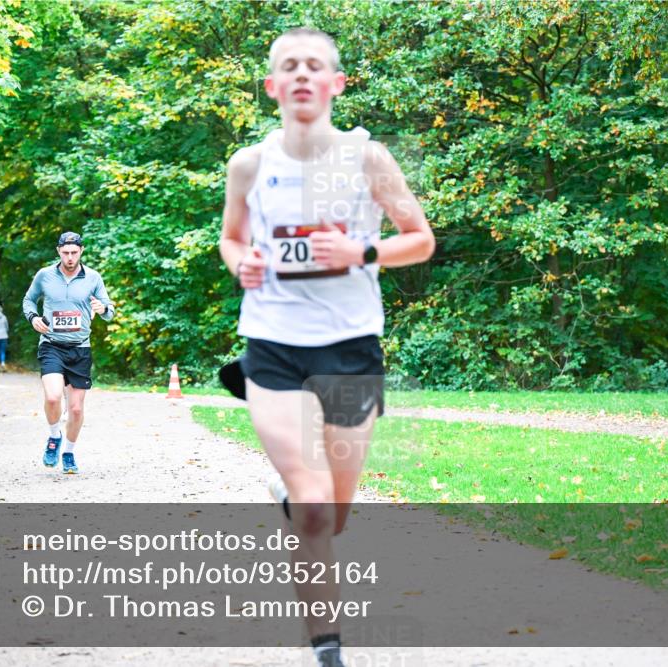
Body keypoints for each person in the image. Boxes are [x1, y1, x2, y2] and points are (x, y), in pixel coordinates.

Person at [218, 27, 434, 667]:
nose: (303, 75)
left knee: (333, 512)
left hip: (350, 349)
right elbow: (231, 239)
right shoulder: (249, 166)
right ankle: (328, 652)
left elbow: (419, 238)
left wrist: (361, 252)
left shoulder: (370, 160)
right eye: (290, 66)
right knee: (312, 508)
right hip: (274, 347)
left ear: (336, 84)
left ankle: (303, 506)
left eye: (316, 66)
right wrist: (241, 264)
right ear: (273, 86)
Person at [22, 231, 114, 474]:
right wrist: (33, 318)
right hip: (51, 344)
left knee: (75, 409)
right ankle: (54, 437)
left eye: (74, 252)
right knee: (53, 397)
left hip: (80, 348)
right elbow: (28, 301)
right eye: (65, 253)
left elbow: (109, 310)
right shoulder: (45, 275)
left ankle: (69, 452)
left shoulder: (93, 277)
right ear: (58, 251)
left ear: (81, 251)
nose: (70, 257)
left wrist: (102, 307)